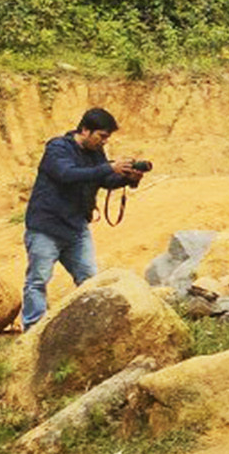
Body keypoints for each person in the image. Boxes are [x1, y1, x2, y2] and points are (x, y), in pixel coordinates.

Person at [21, 108, 142, 330]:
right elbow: (67, 175)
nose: (104, 141)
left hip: (76, 228)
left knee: (90, 280)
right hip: (46, 227)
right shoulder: (57, 148)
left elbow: (104, 180)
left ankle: (91, 330)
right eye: (101, 136)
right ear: (85, 130)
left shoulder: (95, 152)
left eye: (107, 137)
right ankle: (32, 331)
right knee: (38, 281)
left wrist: (128, 178)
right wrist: (108, 167)